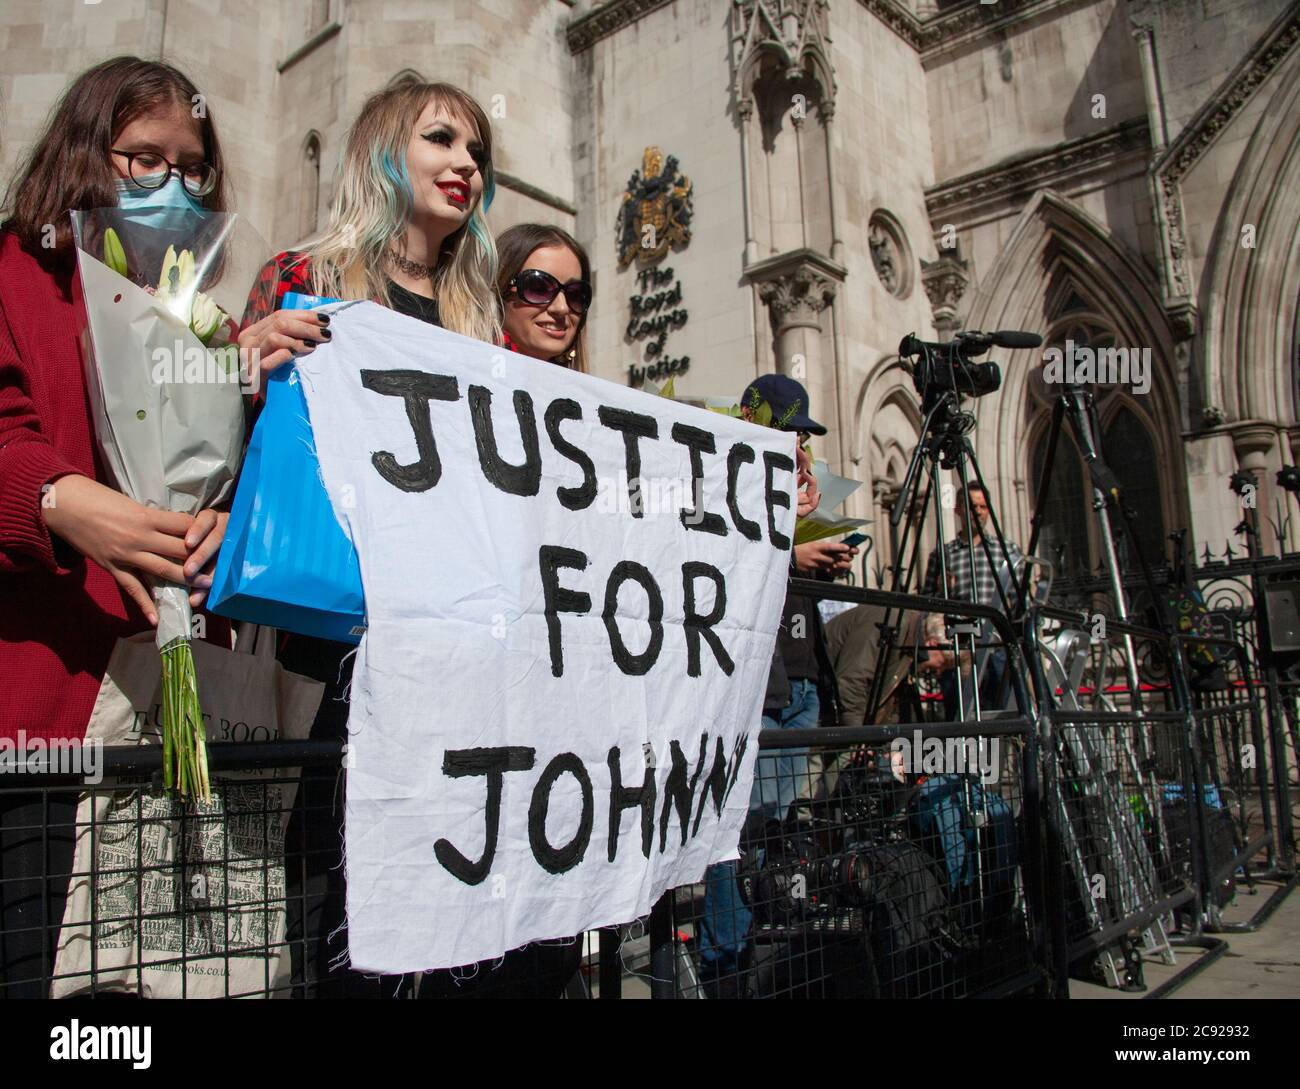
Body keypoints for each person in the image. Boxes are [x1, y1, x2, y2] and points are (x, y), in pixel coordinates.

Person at [235, 76, 499, 998]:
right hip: (327, 635)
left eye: (475, 152)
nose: (465, 164)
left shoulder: (481, 318)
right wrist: (246, 357)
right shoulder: (302, 277)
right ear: (385, 152)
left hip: (439, 644)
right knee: (322, 881)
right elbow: (216, 422)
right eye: (440, 140)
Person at [0, 56, 234, 995]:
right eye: (144, 159)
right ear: (87, 151)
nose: (169, 184)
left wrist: (221, 524)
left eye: (191, 166)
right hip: (36, 717)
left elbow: (210, 461)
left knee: (131, 993)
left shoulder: (195, 315)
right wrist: (55, 498)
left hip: (152, 712)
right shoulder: (15, 272)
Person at [696, 373, 855, 996]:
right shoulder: (721, 478)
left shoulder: (791, 491)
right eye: (788, 427)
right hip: (751, 692)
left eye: (802, 432)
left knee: (771, 832)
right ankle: (724, 967)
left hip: (797, 683)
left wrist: (815, 545)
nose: (797, 441)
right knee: (735, 834)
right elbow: (719, 561)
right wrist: (793, 555)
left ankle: (759, 961)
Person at [921, 482, 1023, 718]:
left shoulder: (1006, 551)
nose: (977, 511)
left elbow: (1019, 601)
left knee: (1001, 716)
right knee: (961, 718)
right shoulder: (943, 554)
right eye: (971, 506)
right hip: (959, 649)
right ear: (958, 510)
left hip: (997, 648)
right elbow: (926, 603)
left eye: (982, 507)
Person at [495, 223, 591, 371]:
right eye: (538, 288)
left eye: (575, 294)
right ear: (499, 290)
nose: (562, 308)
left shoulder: (589, 393)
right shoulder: (457, 371)